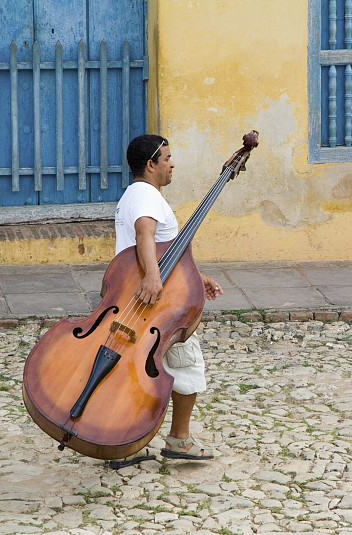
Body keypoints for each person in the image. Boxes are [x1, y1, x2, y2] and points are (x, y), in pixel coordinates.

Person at [109, 134, 222, 469]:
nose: (172, 164)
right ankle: (179, 440)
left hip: (134, 297)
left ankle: (120, 443)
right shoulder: (146, 196)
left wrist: (196, 279)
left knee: (130, 367)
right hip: (155, 302)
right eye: (168, 158)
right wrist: (153, 279)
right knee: (188, 363)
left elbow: (164, 252)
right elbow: (145, 234)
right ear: (151, 165)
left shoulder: (133, 194)